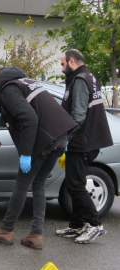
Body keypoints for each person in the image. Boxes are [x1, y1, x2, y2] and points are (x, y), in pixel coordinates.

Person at [0, 66, 76, 250]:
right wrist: (63, 139)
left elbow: (29, 118)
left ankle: (6, 230)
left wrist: (26, 153)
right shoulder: (25, 82)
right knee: (39, 184)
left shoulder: (7, 89)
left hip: (44, 140)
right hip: (59, 138)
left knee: (22, 185)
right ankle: (36, 234)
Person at [55, 49, 113, 244]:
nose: (62, 69)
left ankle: (94, 225)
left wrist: (66, 138)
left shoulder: (80, 80)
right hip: (87, 140)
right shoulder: (88, 76)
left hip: (82, 142)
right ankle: (77, 225)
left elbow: (78, 116)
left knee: (76, 184)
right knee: (75, 182)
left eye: (63, 64)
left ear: (72, 61)